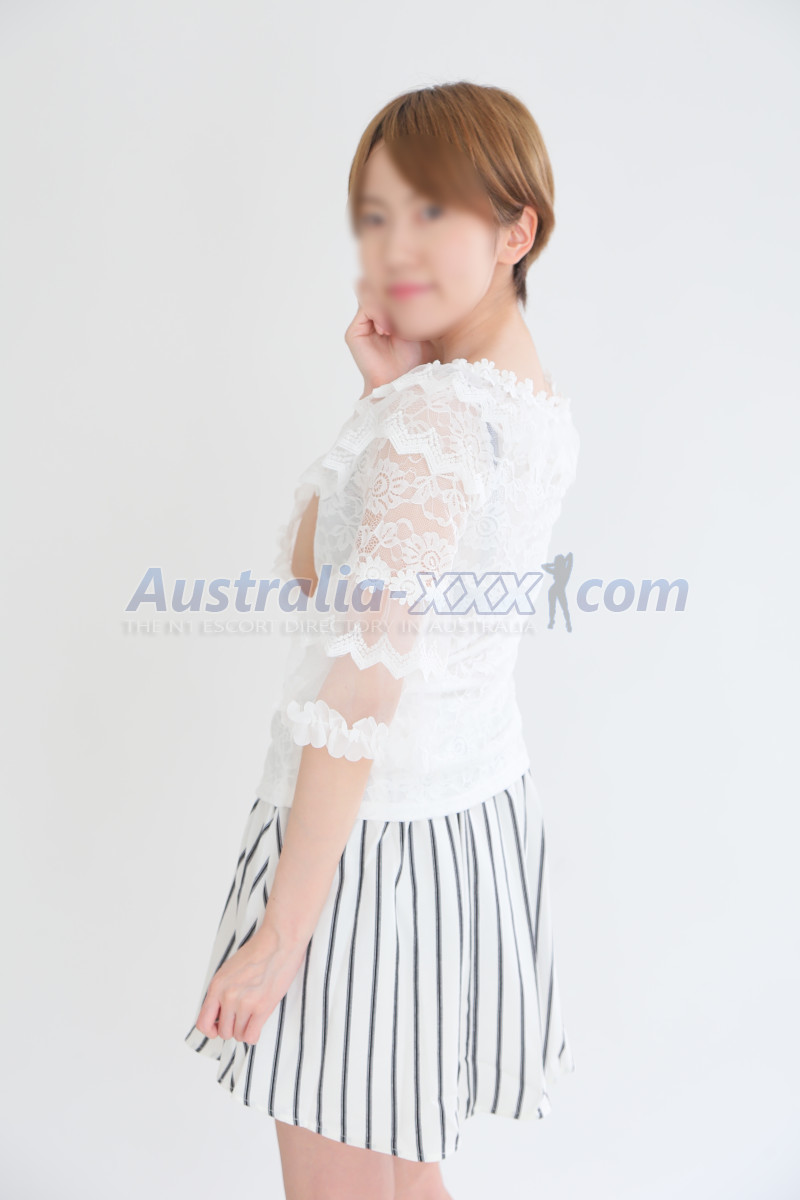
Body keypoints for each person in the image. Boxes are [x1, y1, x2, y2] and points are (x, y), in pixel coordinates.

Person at [183, 80, 580, 1200]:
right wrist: (382, 396)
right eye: (377, 216)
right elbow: (341, 580)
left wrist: (281, 934)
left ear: (516, 232)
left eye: (432, 213)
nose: (395, 249)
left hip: (364, 852)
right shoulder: (520, 399)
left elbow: (362, 681)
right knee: (404, 1178)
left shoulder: (437, 418)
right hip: (460, 824)